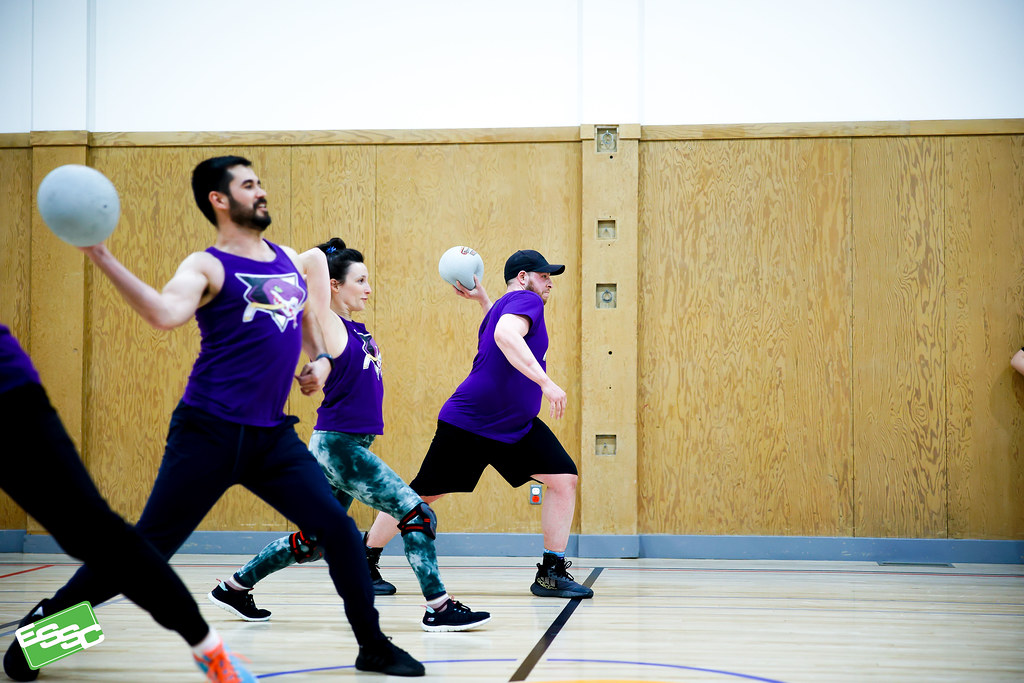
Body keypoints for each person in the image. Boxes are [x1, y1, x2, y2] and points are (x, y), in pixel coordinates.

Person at [3, 156, 423, 679]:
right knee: (147, 549)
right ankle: (41, 635)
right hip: (208, 431)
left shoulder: (288, 259)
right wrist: (102, 256)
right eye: (248, 185)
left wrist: (316, 363)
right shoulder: (206, 266)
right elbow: (162, 313)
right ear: (219, 201)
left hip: (271, 436)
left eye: (260, 182)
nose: (261, 191)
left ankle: (373, 646)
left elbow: (309, 324)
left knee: (336, 529)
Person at [207, 237, 491, 633]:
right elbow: (309, 260)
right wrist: (321, 259)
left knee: (315, 539)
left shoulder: (355, 330)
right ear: (334, 286)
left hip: (344, 444)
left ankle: (234, 587)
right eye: (360, 280)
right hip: (339, 447)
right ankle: (438, 607)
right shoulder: (327, 320)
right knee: (416, 513)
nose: (369, 288)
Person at [0, 324, 256, 683]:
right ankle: (43, 632)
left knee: (107, 541)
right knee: (138, 542)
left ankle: (208, 649)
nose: (367, 290)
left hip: (9, 393)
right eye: (359, 280)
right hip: (204, 431)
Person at [363, 249, 594, 600]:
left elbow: (497, 329)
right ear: (522, 278)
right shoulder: (527, 302)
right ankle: (363, 559)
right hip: (472, 424)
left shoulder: (502, 305)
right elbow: (505, 336)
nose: (549, 282)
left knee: (563, 478)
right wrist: (546, 383)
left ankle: (550, 572)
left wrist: (483, 298)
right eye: (543, 275)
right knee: (423, 493)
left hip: (514, 426)